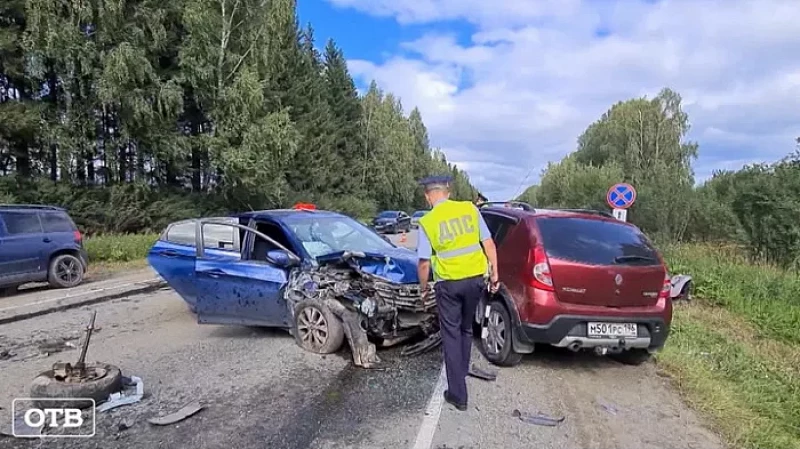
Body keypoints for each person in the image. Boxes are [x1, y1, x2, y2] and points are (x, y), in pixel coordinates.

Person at [415, 175, 500, 411]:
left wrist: (423, 288)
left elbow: (423, 263)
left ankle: (458, 394)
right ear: (448, 192)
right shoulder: (470, 209)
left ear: (427, 196)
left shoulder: (428, 221)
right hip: (475, 281)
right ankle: (462, 369)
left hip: (449, 285)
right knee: (465, 328)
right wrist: (495, 275)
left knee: (450, 334)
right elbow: (489, 244)